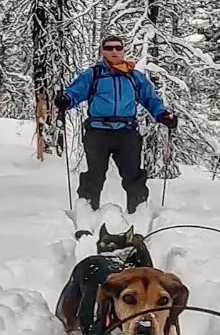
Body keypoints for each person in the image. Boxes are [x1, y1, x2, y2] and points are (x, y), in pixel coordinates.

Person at [55, 35, 178, 214]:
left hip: (127, 132)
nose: (114, 51)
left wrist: (163, 115)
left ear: (123, 50)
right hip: (98, 131)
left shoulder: (135, 77)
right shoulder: (93, 74)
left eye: (118, 48)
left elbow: (150, 99)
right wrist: (65, 100)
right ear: (102, 51)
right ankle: (87, 210)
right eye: (109, 48)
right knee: (94, 175)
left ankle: (138, 211)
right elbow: (75, 92)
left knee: (133, 175)